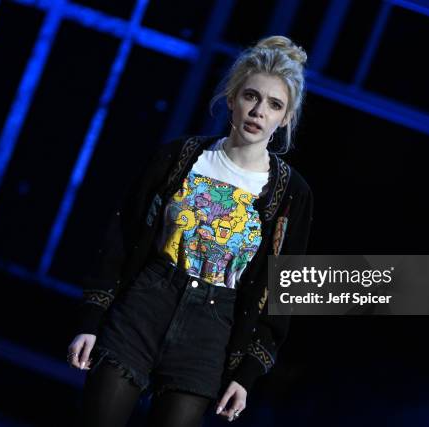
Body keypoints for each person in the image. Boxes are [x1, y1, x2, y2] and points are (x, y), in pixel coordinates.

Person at [67, 35, 314, 427]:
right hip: (144, 306)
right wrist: (90, 321)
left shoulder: (291, 194)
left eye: (274, 104)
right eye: (251, 96)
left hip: (211, 333)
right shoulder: (179, 157)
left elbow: (280, 290)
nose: (258, 111)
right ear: (232, 98)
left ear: (285, 117)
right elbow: (122, 236)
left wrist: (246, 374)